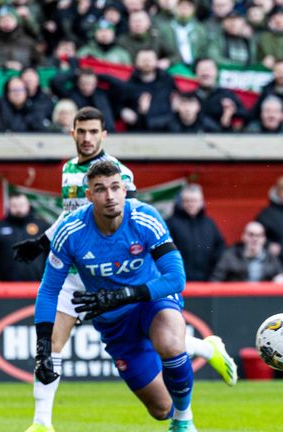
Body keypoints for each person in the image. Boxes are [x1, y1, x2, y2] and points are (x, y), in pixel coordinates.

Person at [14, 108, 235, 432]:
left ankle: (186, 415)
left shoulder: (126, 186)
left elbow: (121, 223)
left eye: (93, 132)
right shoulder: (69, 172)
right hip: (81, 272)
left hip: (130, 279)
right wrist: (43, 242)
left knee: (170, 343)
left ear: (104, 134)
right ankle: (41, 424)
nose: (87, 138)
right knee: (52, 347)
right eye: (81, 131)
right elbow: (69, 218)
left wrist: (123, 290)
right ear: (72, 133)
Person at [33, 161, 197, 432]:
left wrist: (125, 295)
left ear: (125, 190)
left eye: (115, 187)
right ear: (88, 196)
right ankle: (198, 354)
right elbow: (49, 290)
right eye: (100, 189)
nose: (109, 196)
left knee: (169, 342)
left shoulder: (145, 217)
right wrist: (42, 348)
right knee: (160, 409)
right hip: (114, 323)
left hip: (149, 301)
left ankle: (184, 421)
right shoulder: (71, 232)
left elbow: (176, 279)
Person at [0, 193, 50, 281]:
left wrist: (48, 278)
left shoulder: (42, 226)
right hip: (5, 287)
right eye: (14, 205)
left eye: (21, 205)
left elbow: (53, 252)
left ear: (28, 205)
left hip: (38, 285)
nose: (18, 208)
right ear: (8, 207)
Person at [166, 184, 226, 281]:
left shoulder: (209, 223)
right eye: (187, 201)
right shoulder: (170, 223)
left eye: (194, 201)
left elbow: (220, 247)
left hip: (207, 281)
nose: (191, 204)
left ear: (201, 202)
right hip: (179, 281)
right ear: (181, 202)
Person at [209, 221, 283, 283]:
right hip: (236, 301)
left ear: (264, 239)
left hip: (264, 301)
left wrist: (281, 278)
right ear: (243, 237)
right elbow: (216, 279)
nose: (255, 238)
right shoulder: (230, 255)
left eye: (259, 235)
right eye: (251, 234)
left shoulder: (270, 257)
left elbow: (282, 274)